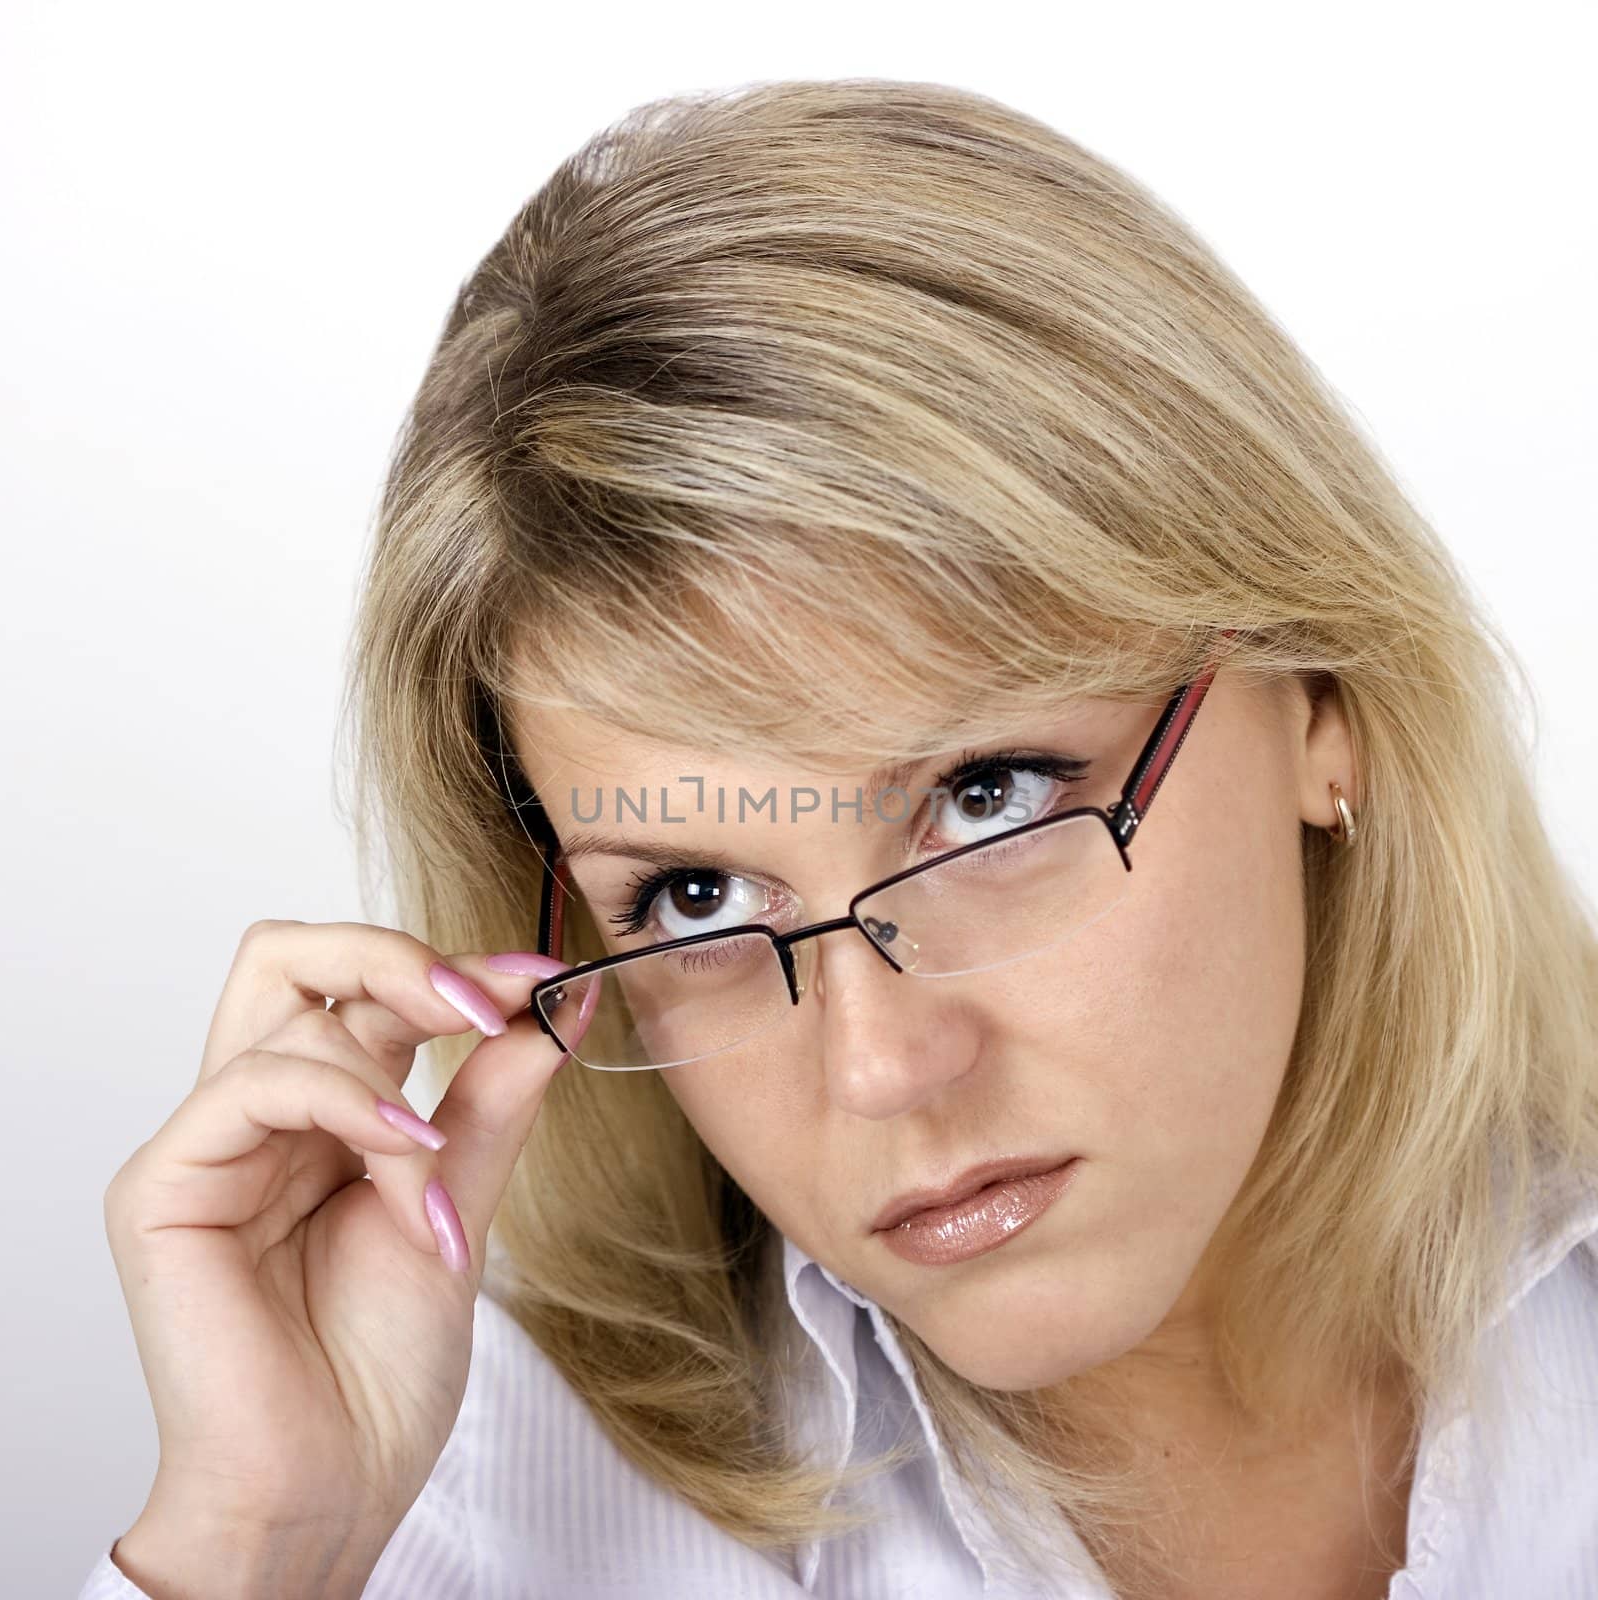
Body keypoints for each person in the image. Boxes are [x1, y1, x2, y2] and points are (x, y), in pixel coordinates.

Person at [78, 79, 1598, 1600]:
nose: (881, 1067)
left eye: (991, 795)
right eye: (694, 895)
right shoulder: (459, 1518)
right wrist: (256, 1548)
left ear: (1319, 705)